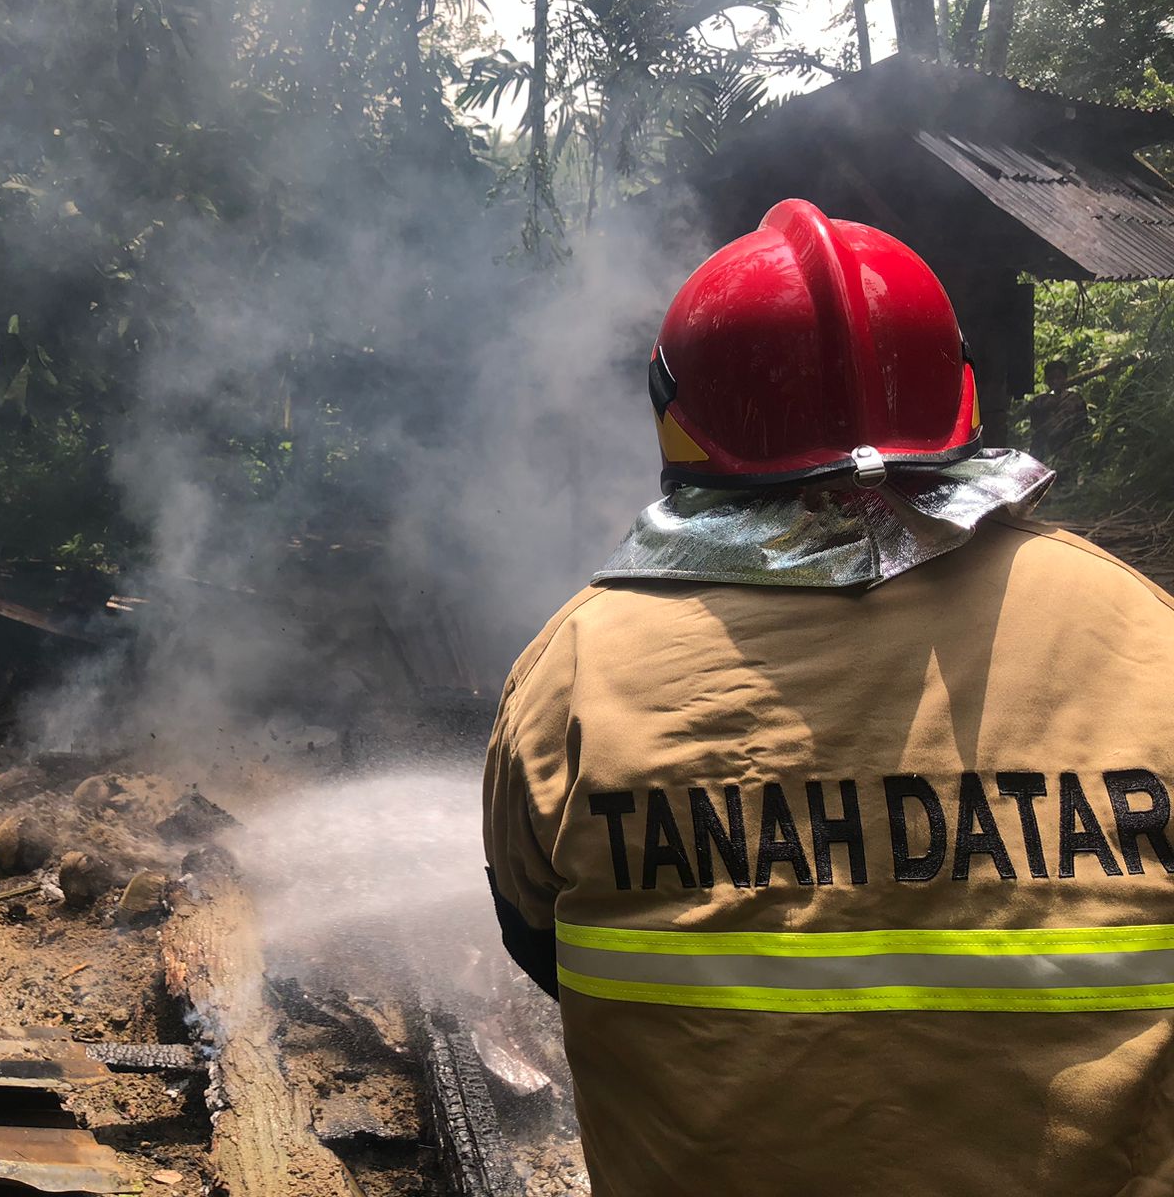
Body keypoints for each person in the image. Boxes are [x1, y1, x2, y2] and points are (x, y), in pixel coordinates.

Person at [483, 198, 1174, 1197]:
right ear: (959, 391)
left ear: (679, 416)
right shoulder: (1140, 629)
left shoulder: (577, 671)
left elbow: (540, 946)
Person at [1030, 359, 1090, 467]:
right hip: (1045, 450)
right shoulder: (1039, 402)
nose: (1055, 381)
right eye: (1051, 378)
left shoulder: (1075, 400)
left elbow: (1083, 426)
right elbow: (1035, 427)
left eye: (1058, 377)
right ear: (1046, 380)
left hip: (1070, 450)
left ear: (1065, 378)